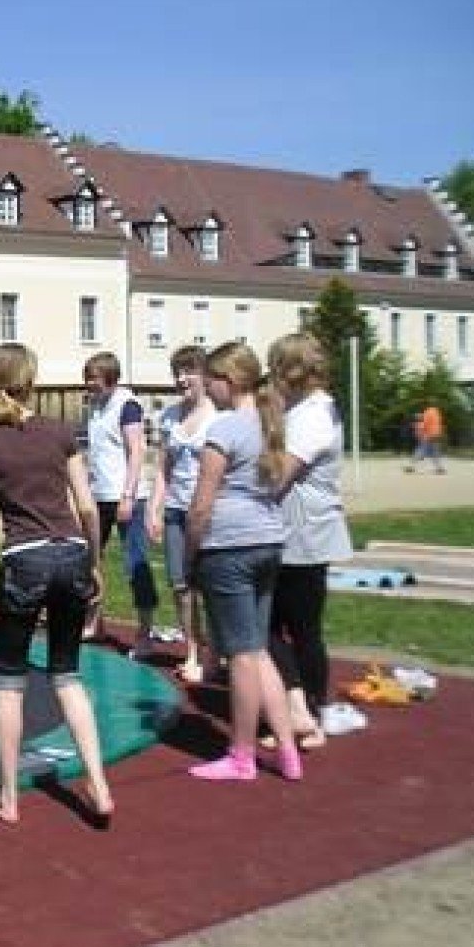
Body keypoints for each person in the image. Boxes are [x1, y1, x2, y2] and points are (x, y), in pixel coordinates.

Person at [0, 342, 112, 827]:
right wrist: (93, 562)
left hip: (25, 560)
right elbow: (85, 506)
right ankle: (97, 782)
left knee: (11, 682)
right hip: (72, 553)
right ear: (31, 381)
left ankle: (11, 797)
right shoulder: (60, 433)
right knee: (67, 676)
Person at [185, 341, 300, 782]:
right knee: (259, 649)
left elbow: (201, 505)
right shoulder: (271, 425)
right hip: (268, 543)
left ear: (227, 381)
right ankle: (287, 749)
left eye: (210, 379)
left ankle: (242, 754)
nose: (207, 387)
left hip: (229, 546)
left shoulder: (226, 429)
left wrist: (191, 554)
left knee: (242, 656)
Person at [265, 333, 353, 751]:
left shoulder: (315, 414)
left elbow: (280, 473)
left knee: (299, 628)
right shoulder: (300, 409)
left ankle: (311, 711)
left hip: (304, 535)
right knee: (273, 626)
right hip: (288, 532)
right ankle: (292, 708)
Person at [147, 345, 219, 684]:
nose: (181, 379)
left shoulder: (219, 416)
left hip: (211, 514)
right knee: (180, 585)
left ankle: (215, 653)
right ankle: (192, 651)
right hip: (176, 511)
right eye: (177, 372)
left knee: (213, 585)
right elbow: (163, 467)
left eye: (189, 371)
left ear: (205, 375)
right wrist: (154, 507)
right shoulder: (170, 417)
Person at [82, 351, 159, 657]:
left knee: (135, 563)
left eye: (95, 381)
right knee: (90, 560)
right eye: (87, 380)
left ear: (112, 380)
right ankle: (94, 621)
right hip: (99, 495)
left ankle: (145, 633)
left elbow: (137, 451)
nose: (89, 386)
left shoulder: (127, 406)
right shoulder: (95, 406)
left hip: (128, 497)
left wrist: (127, 496)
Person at [405, 403, 446, 474]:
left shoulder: (427, 413)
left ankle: (411, 466)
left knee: (421, 450)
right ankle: (439, 468)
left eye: (418, 415)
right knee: (435, 452)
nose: (418, 416)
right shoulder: (436, 411)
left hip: (429, 434)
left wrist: (418, 430)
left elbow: (424, 424)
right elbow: (437, 424)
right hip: (436, 434)